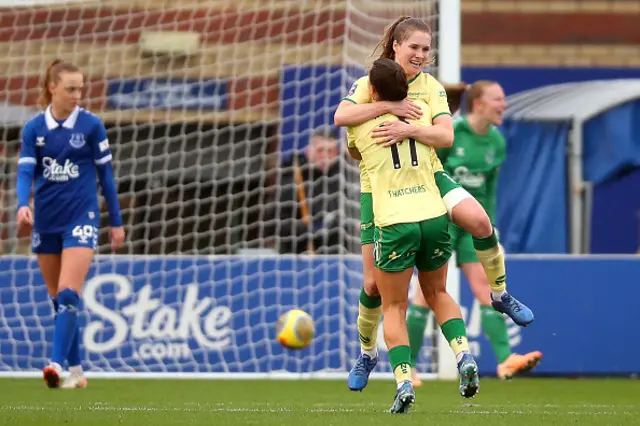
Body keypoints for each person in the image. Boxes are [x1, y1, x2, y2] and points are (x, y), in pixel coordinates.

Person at [334, 16, 533, 390]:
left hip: (428, 178)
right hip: (377, 191)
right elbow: (341, 117)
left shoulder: (431, 89)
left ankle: (500, 293)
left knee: (480, 221)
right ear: (396, 46)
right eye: (415, 48)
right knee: (373, 285)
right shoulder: (369, 85)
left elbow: (444, 136)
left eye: (427, 49)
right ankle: (366, 352)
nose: (422, 55)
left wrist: (409, 128)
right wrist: (386, 108)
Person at [347, 58, 479, 414]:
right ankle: (464, 354)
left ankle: (404, 381)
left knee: (394, 306)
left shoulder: (361, 126)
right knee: (437, 292)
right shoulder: (423, 119)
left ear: (371, 92)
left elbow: (354, 151)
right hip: (434, 218)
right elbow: (443, 138)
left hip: (394, 221)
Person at [408, 81, 543, 383]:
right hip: (442, 221)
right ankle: (410, 366)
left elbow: (491, 189)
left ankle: (506, 360)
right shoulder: (450, 133)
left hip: (473, 227)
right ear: (478, 104)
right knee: (425, 294)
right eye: (498, 99)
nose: (503, 105)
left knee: (485, 287)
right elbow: (429, 174)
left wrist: (489, 228)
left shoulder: (497, 141)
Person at [15, 59, 125, 389]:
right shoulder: (34, 129)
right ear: (53, 88)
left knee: (67, 293)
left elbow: (106, 176)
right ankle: (77, 371)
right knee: (60, 301)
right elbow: (25, 172)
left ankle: (56, 364)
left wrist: (115, 222)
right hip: (47, 220)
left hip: (81, 217)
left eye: (80, 88)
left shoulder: (91, 126)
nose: (78, 94)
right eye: (71, 89)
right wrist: (23, 204)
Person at [276, 125, 343, 254]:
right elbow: (278, 225)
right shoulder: (294, 177)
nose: (325, 156)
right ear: (308, 151)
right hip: (298, 256)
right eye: (320, 150)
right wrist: (309, 230)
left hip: (337, 256)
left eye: (330, 151)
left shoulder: (343, 177)